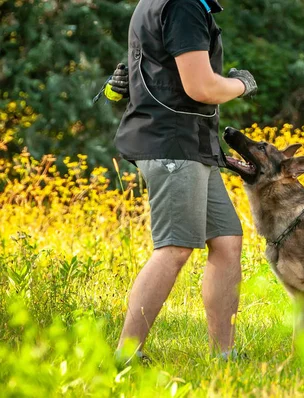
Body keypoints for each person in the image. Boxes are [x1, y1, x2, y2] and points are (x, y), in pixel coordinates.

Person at [108, 0, 257, 362]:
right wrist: (241, 83)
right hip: (172, 143)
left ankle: (224, 354)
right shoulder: (183, 5)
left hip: (192, 144)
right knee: (174, 249)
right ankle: (126, 356)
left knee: (226, 241)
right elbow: (201, 87)